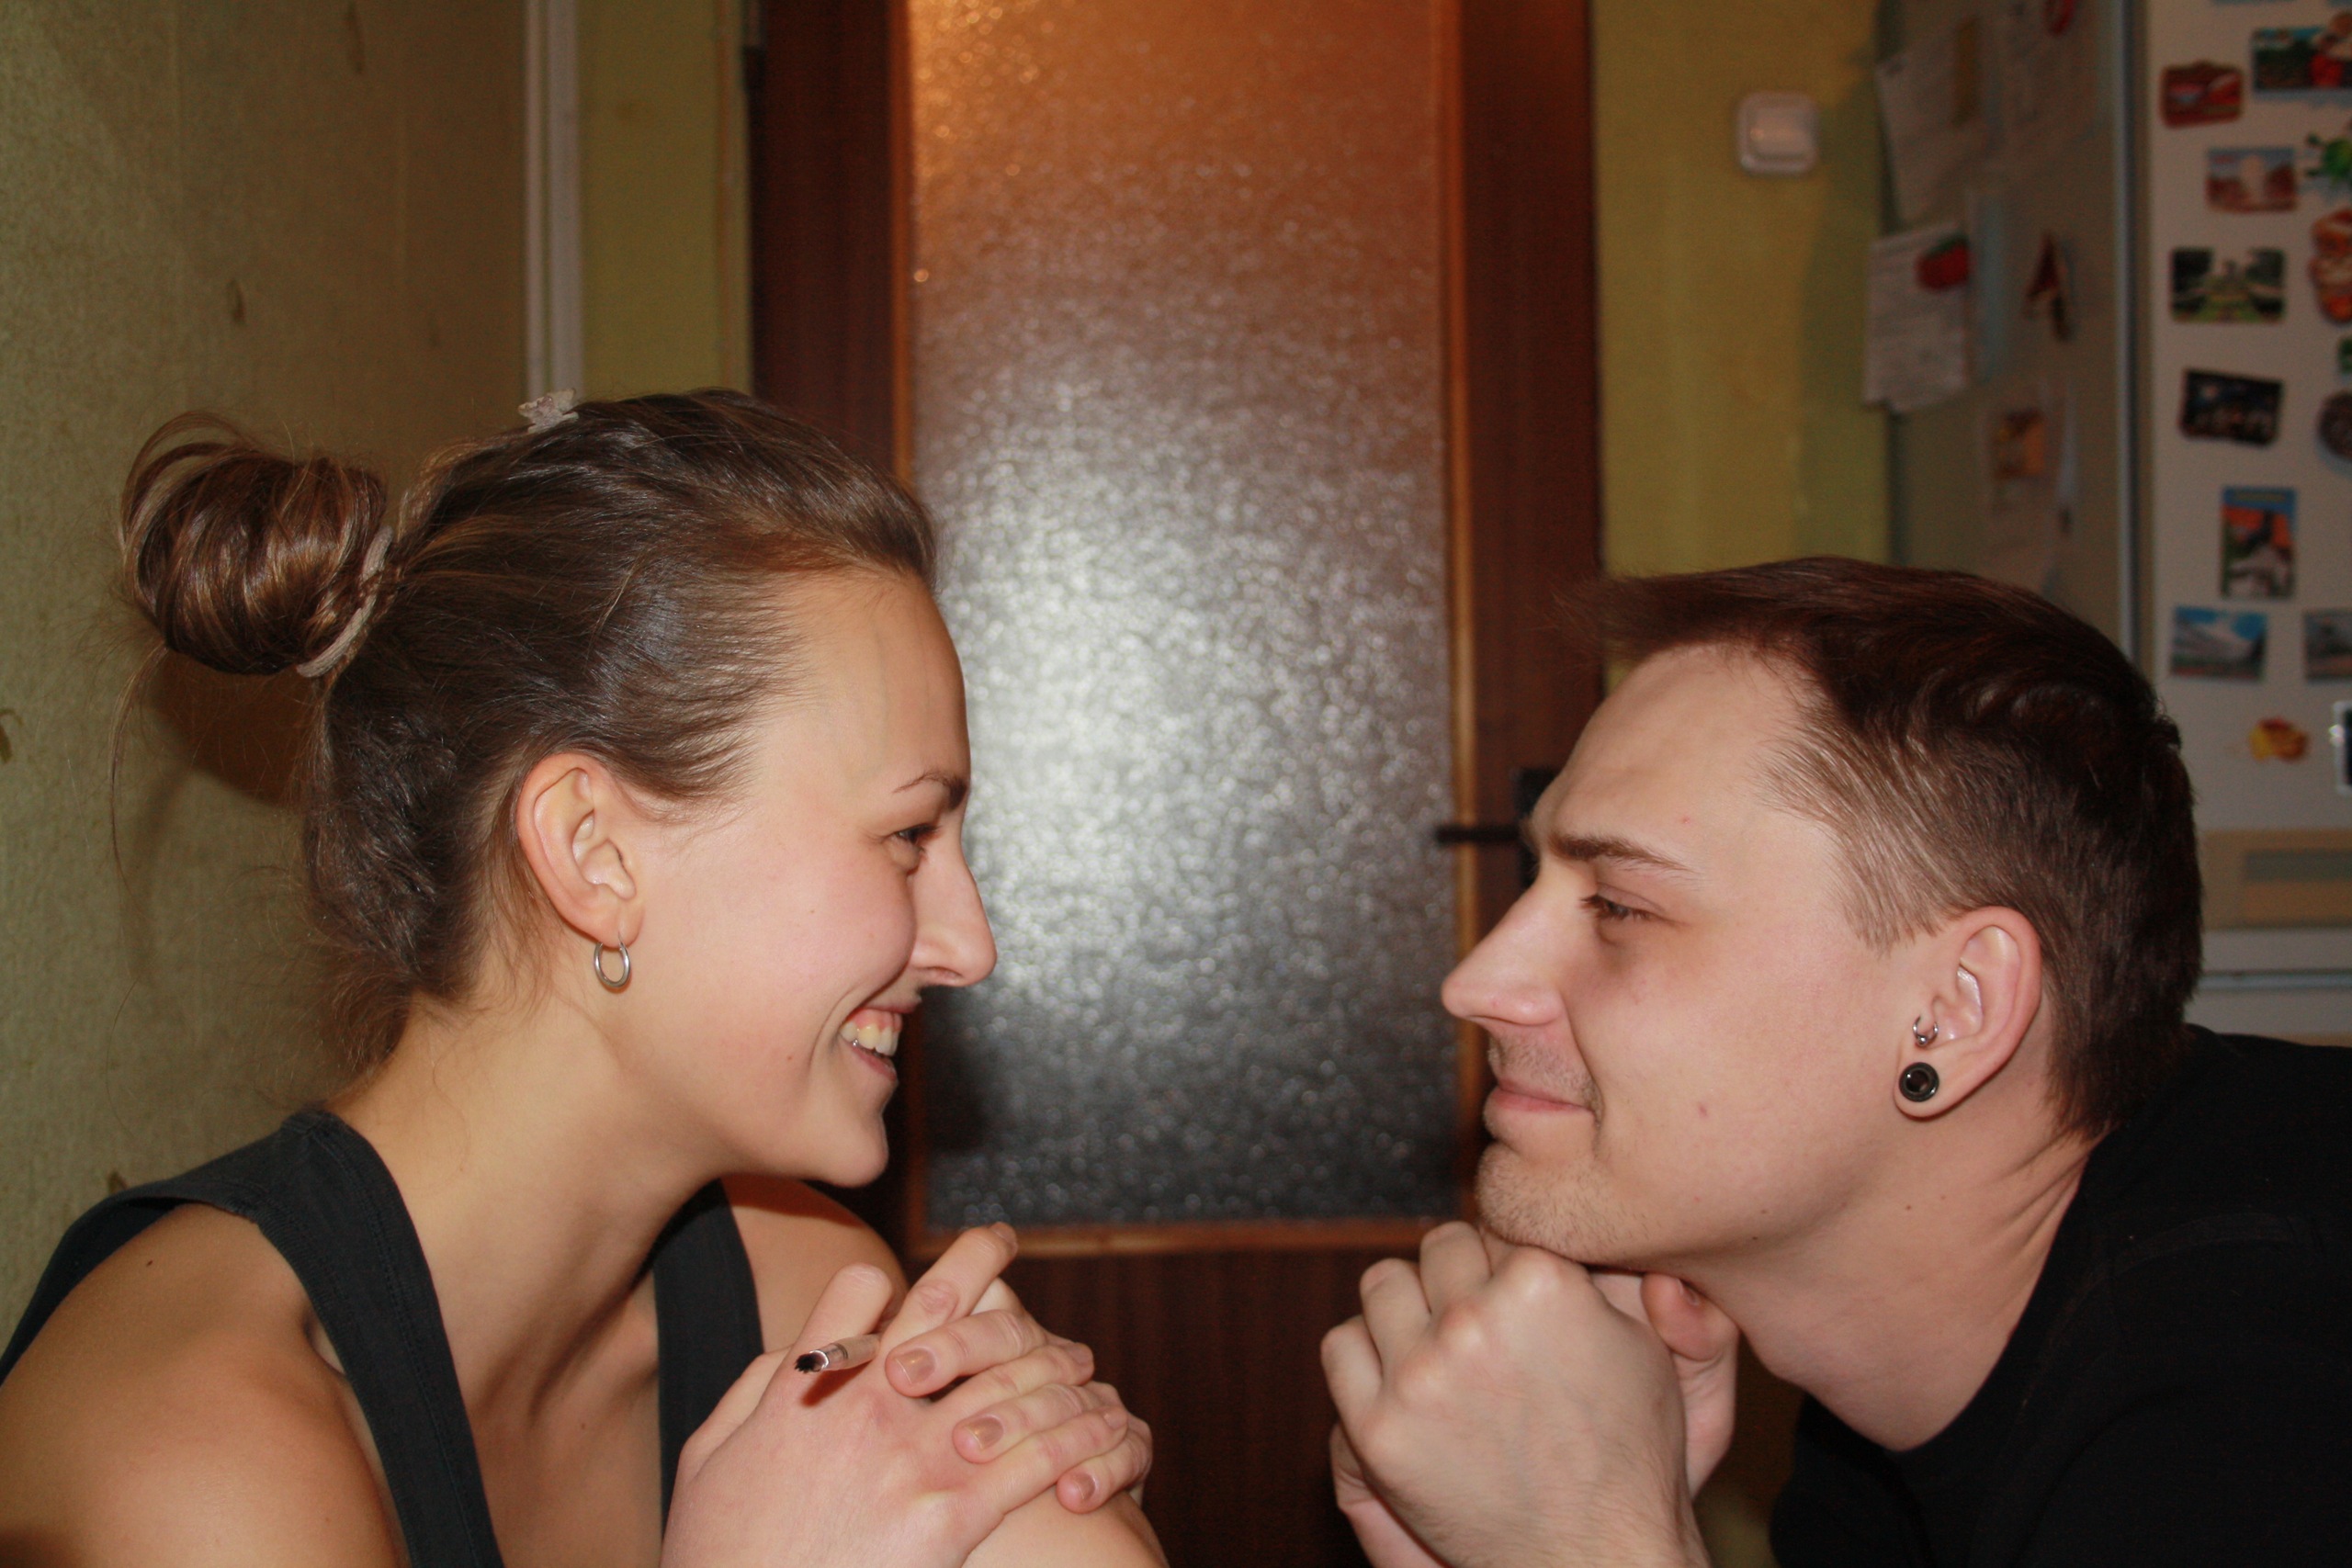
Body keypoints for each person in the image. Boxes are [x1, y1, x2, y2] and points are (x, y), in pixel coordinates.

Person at [0, 391, 1163, 1567]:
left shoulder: (807, 1294)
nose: (970, 947)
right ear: (592, 851)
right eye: (908, 835)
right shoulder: (186, 1462)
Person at [1321, 558, 2352, 1566]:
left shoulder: (2262, 1408)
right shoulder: (1875, 1426)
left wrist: (1589, 1539)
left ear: (1949, 1012)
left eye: (1620, 907)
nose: (1477, 982)